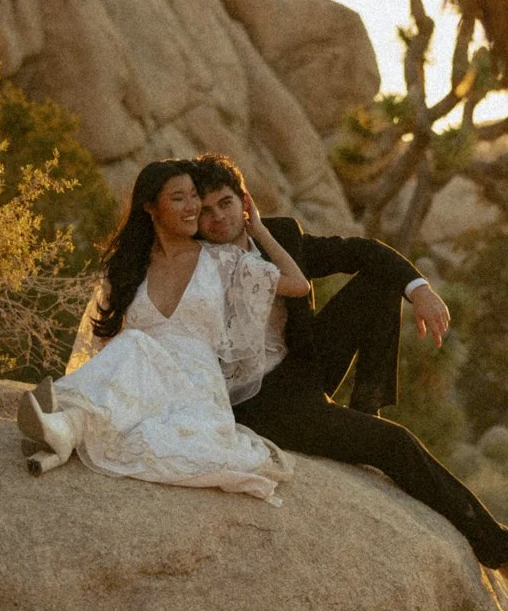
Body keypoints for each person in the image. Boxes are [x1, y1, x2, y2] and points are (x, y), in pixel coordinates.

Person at [187, 153, 508, 580]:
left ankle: (366, 406)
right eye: (205, 211)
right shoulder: (193, 263)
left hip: (303, 366)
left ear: (244, 200)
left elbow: (366, 252)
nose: (216, 218)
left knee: (379, 281)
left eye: (224, 203)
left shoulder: (279, 235)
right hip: (263, 401)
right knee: (395, 444)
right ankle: (505, 553)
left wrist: (421, 290)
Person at [17, 159, 310, 502]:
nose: (193, 207)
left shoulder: (221, 261)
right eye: (178, 198)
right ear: (151, 208)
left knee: (135, 343)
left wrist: (257, 228)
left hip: (194, 389)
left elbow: (298, 285)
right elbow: (103, 343)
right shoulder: (127, 267)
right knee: (133, 344)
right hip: (141, 385)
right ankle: (66, 431)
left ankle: (67, 429)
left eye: (193, 196)